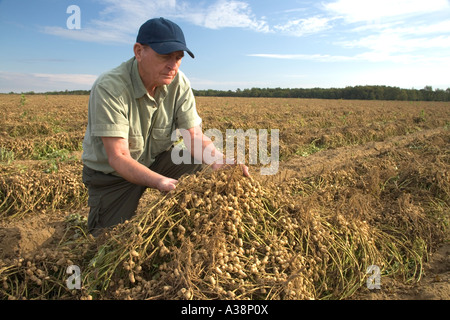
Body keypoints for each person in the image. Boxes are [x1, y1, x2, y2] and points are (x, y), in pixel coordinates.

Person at [81, 17, 249, 236]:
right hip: (113, 175)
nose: (173, 65)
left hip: (156, 159)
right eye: (165, 57)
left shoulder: (178, 82)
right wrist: (160, 181)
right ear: (139, 51)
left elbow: (193, 137)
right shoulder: (110, 87)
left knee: (201, 163)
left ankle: (192, 231)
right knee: (106, 243)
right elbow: (119, 156)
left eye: (178, 58)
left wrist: (220, 160)